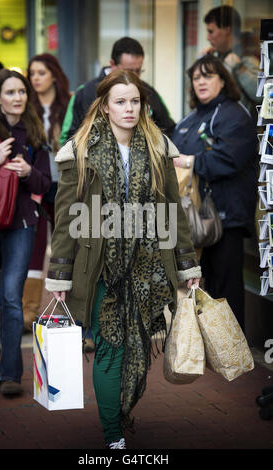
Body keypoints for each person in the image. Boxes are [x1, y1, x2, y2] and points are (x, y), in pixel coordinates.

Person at [45, 69, 201, 449]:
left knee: (135, 345)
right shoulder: (80, 151)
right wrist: (60, 277)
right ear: (105, 105)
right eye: (121, 101)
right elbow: (66, 218)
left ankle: (119, 414)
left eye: (135, 101)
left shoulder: (158, 147)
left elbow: (171, 213)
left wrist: (186, 266)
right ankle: (113, 433)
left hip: (147, 268)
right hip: (99, 266)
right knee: (112, 347)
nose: (129, 109)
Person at [0, 69, 51, 394]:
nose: (18, 97)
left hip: (21, 223)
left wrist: (28, 172)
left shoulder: (34, 132)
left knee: (10, 296)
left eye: (21, 92)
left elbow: (46, 185)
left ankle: (10, 375)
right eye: (10, 92)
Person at [171, 55, 258, 331]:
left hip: (225, 217)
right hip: (193, 218)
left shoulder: (234, 114)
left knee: (225, 286)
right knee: (199, 283)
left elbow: (229, 158)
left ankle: (232, 350)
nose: (201, 82)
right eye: (196, 78)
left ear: (223, 79)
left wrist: (189, 161)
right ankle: (210, 348)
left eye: (208, 76)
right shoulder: (190, 117)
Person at [21, 54, 71, 332]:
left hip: (65, 186)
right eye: (32, 74)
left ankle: (70, 308)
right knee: (35, 247)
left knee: (67, 247)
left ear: (53, 73)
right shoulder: (27, 107)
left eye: (41, 72)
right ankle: (29, 312)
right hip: (37, 187)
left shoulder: (69, 104)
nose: (35, 78)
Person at [60, 36, 175, 144]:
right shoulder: (84, 93)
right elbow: (67, 138)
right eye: (129, 71)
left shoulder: (149, 92)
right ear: (112, 64)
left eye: (138, 71)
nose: (135, 76)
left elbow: (168, 130)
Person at [203, 5, 260, 122]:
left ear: (227, 30)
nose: (208, 38)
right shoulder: (217, 57)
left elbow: (261, 94)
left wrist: (240, 69)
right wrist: (203, 63)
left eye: (211, 32)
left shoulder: (249, 55)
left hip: (241, 131)